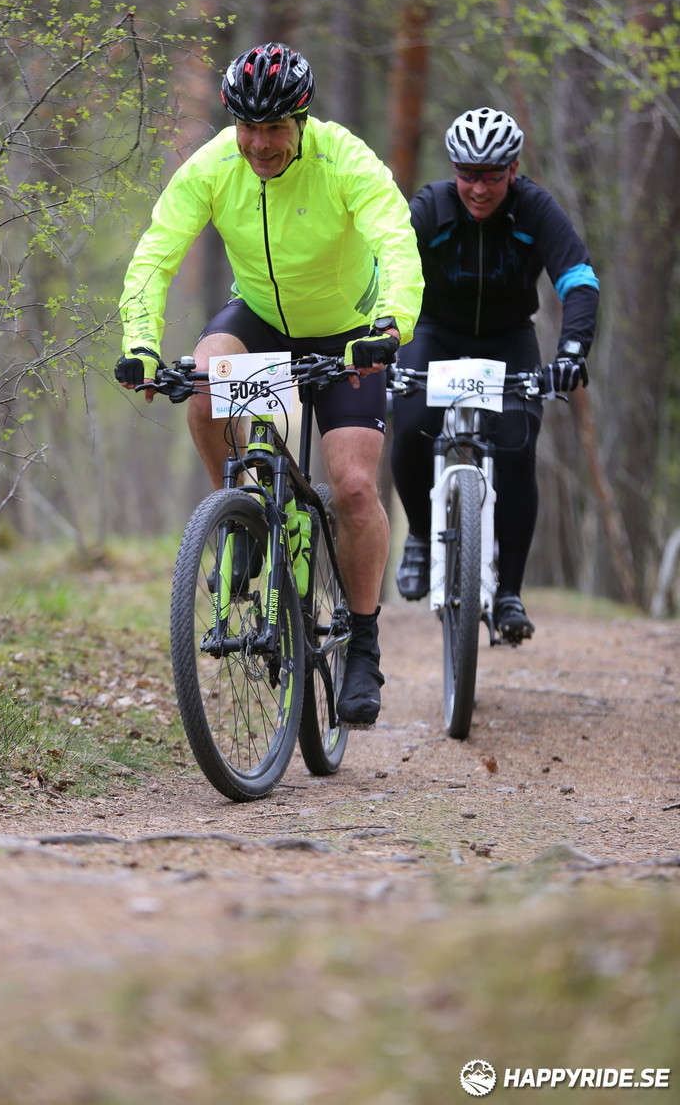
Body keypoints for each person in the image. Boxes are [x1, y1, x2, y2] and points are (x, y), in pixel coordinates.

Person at [114, 42, 424, 725]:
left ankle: (364, 642)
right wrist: (138, 343)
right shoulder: (216, 165)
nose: (259, 143)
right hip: (260, 317)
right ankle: (241, 514)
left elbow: (398, 242)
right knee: (202, 382)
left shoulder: (344, 159)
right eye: (247, 128)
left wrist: (390, 325)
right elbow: (153, 255)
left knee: (350, 486)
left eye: (275, 127)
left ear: (302, 119)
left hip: (348, 334)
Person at [390, 106, 599, 642]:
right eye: (468, 174)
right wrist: (381, 336)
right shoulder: (431, 208)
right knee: (411, 421)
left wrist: (572, 350)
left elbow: (578, 279)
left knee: (515, 445)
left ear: (513, 169)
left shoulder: (535, 209)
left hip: (509, 338)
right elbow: (386, 273)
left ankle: (509, 592)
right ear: (453, 169)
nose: (478, 189)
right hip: (436, 332)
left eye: (492, 175)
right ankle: (418, 533)